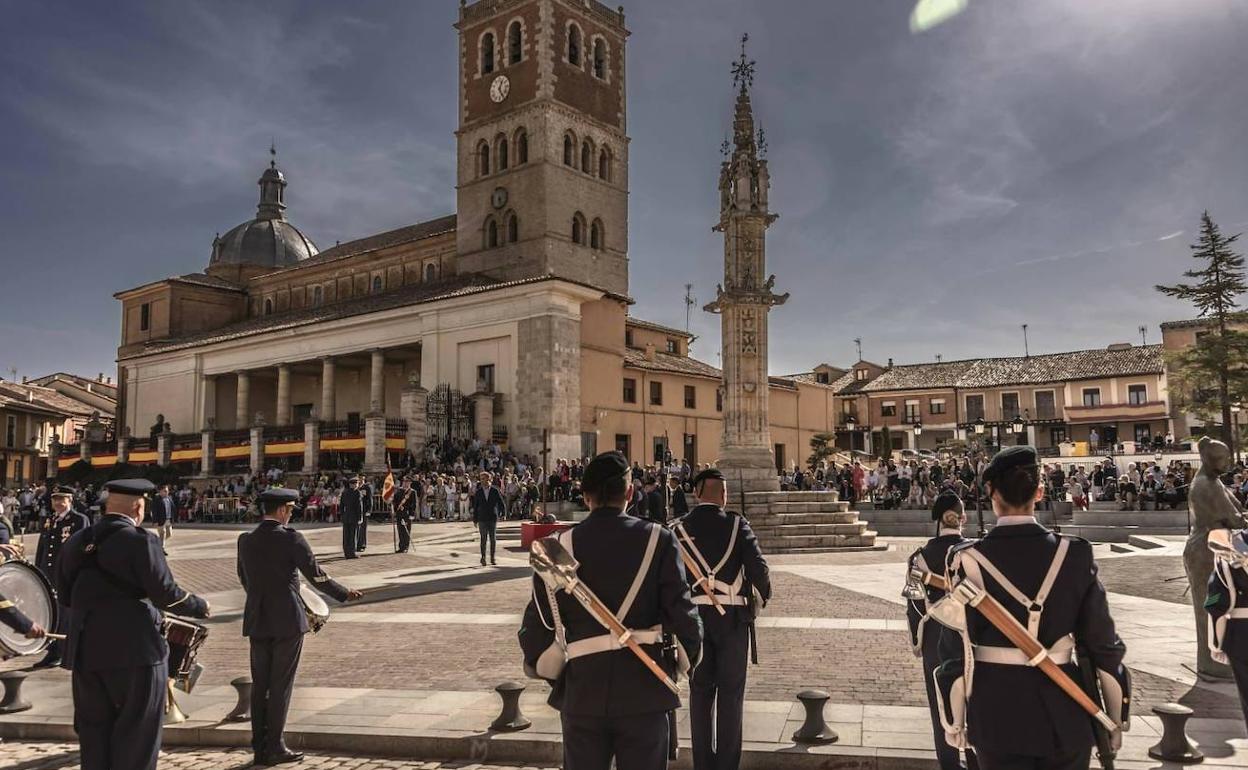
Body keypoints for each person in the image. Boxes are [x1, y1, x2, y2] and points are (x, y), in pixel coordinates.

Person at [936, 447, 1130, 770]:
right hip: (1066, 715)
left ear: (990, 493)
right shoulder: (1075, 555)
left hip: (996, 716)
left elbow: (954, 651)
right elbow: (1104, 646)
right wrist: (1114, 718)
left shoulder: (965, 561)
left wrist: (954, 721)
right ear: (1039, 492)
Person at [518, 451, 703, 770]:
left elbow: (535, 632)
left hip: (583, 692)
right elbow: (684, 619)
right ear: (630, 493)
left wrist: (560, 672)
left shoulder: (556, 547)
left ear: (585, 494)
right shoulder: (659, 540)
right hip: (645, 691)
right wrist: (686, 661)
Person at [55, 478, 211, 770]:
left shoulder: (76, 541)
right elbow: (166, 594)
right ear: (139, 507)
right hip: (136, 651)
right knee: (137, 737)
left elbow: (64, 595)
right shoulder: (141, 540)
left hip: (86, 651)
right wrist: (199, 606)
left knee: (94, 735)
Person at [237, 487, 362, 766]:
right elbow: (316, 577)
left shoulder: (245, 540)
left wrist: (261, 599)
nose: (291, 514)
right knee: (280, 684)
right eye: (291, 510)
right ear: (282, 510)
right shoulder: (291, 539)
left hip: (257, 619)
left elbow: (244, 579)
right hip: (287, 619)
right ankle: (276, 746)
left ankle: (259, 746)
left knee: (261, 685)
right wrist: (343, 593)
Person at [674, 467, 770, 770]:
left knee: (700, 694)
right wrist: (762, 596)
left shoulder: (677, 529)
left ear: (696, 493)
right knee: (731, 695)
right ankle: (727, 765)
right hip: (732, 620)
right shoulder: (737, 525)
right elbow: (759, 572)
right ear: (724, 495)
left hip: (694, 622)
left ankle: (703, 764)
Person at [904, 492, 979, 770]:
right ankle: (976, 760)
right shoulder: (974, 552)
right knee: (974, 703)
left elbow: (914, 605)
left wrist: (918, 638)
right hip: (971, 638)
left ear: (937, 520)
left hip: (936, 635)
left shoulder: (919, 558)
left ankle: (948, 763)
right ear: (963, 518)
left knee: (941, 705)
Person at [32, 485, 90, 669]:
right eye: (55, 499)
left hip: (67, 574)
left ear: (70, 500)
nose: (57, 503)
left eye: (61, 499)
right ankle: (53, 651)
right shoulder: (51, 520)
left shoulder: (79, 520)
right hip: (49, 573)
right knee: (52, 613)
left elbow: (84, 548)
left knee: (66, 615)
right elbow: (43, 547)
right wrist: (37, 570)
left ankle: (65, 652)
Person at [472, 471, 505, 566]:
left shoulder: (495, 490)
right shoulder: (478, 492)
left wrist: (503, 513)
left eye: (483, 478)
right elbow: (476, 506)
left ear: (489, 479)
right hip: (482, 518)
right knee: (483, 539)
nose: (482, 481)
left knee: (492, 538)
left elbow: (501, 502)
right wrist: (475, 519)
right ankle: (483, 557)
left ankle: (492, 558)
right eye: (481, 479)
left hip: (492, 517)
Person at [339, 476, 368, 559]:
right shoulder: (357, 493)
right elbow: (359, 507)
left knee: (346, 535)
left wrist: (342, 515)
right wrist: (360, 517)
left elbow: (341, 506)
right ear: (355, 484)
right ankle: (352, 553)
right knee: (353, 535)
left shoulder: (344, 492)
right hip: (354, 517)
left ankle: (346, 552)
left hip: (346, 516)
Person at [393, 477, 417, 553]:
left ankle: (406, 547)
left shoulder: (412, 492)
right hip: (400, 513)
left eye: (407, 482)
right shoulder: (399, 491)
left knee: (406, 531)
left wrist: (412, 514)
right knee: (400, 530)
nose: (405, 483)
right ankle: (401, 546)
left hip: (407, 514)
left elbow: (413, 504)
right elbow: (395, 501)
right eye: (404, 481)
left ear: (410, 483)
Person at [151, 484, 176, 550]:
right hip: (160, 520)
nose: (167, 492)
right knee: (162, 534)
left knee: (169, 534)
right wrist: (155, 521)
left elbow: (173, 509)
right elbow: (154, 511)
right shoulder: (157, 499)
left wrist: (173, 519)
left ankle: (157, 543)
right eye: (165, 491)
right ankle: (162, 548)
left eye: (167, 491)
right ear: (160, 491)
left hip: (168, 519)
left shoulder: (169, 498)